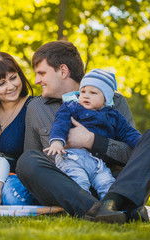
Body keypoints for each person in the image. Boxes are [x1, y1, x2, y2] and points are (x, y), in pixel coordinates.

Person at [16, 40, 150, 224]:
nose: (36, 81)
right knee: (26, 161)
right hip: (70, 188)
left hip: (111, 184)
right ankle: (103, 209)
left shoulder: (114, 101)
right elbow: (34, 163)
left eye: (41, 73)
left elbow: (133, 155)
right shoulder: (36, 107)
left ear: (63, 71)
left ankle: (112, 204)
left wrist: (92, 141)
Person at [44, 69, 142, 200]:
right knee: (79, 182)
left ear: (105, 99)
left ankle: (108, 207)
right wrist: (57, 141)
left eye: (93, 93)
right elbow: (60, 123)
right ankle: (84, 205)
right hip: (73, 157)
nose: (85, 95)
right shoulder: (72, 107)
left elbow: (128, 132)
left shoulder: (114, 116)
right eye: (83, 91)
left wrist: (143, 144)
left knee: (106, 183)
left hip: (98, 161)